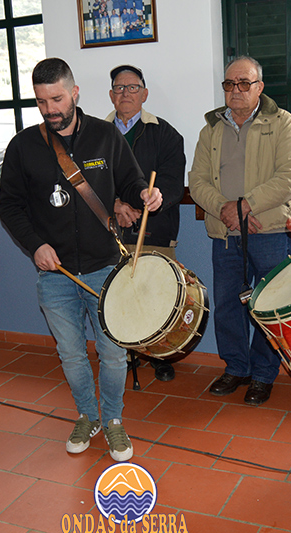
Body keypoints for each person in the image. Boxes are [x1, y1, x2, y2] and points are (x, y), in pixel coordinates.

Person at [0, 58, 162, 462]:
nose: (49, 109)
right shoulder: (23, 146)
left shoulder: (106, 135)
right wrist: (34, 244)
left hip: (105, 267)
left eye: (56, 98)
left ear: (74, 93)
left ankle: (114, 421)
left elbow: (131, 180)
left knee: (112, 353)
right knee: (71, 354)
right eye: (40, 101)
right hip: (55, 274)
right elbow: (10, 207)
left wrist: (145, 194)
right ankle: (87, 415)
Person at [188, 55, 291, 406]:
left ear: (259, 87)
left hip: (268, 231)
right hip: (226, 233)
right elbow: (197, 181)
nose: (235, 90)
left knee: (268, 307)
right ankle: (236, 368)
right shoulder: (211, 129)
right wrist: (228, 211)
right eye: (229, 84)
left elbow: (289, 177)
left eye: (244, 83)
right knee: (226, 305)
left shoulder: (282, 123)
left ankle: (263, 375)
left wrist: (244, 206)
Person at [106, 64, 185, 382]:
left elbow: (172, 184)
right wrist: (116, 205)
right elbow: (87, 181)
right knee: (117, 297)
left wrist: (146, 206)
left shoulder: (166, 134)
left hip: (155, 229)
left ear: (145, 94)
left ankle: (160, 356)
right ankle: (120, 353)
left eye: (133, 87)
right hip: (111, 231)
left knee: (157, 298)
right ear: (111, 95)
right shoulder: (96, 134)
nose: (126, 93)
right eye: (119, 88)